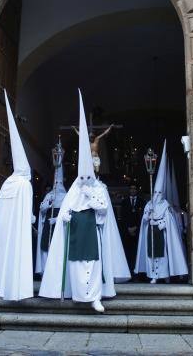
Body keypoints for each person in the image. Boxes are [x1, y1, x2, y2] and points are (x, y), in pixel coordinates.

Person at [39, 90, 129, 312]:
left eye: (89, 176)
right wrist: (66, 217)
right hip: (77, 232)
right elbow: (65, 212)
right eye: (84, 177)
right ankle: (77, 294)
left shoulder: (98, 187)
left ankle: (95, 296)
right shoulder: (73, 190)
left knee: (94, 264)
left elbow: (103, 209)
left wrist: (92, 197)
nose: (87, 179)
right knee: (76, 265)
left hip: (92, 231)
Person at [0, 90, 35, 301]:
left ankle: (3, 287)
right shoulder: (11, 181)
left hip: (15, 228)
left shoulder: (23, 183)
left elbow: (25, 207)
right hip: (2, 227)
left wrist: (27, 218)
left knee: (9, 254)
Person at [135, 140, 188, 284]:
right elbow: (144, 218)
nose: (157, 194)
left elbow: (170, 221)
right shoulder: (148, 204)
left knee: (163, 254)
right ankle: (153, 275)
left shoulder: (166, 205)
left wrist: (162, 224)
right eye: (155, 192)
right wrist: (147, 218)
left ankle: (164, 274)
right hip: (150, 232)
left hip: (160, 232)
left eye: (159, 192)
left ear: (162, 192)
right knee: (151, 255)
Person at [36, 148, 67, 275]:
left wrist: (57, 219)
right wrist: (48, 204)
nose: (57, 185)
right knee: (46, 248)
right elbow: (41, 210)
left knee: (59, 248)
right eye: (56, 182)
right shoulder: (49, 195)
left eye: (59, 182)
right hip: (48, 225)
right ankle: (46, 271)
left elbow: (69, 212)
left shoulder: (67, 196)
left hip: (59, 226)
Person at [119, 183, 144, 274]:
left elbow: (142, 216)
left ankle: (137, 273)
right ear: (129, 190)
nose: (133, 190)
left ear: (137, 190)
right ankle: (128, 271)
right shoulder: (124, 202)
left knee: (137, 251)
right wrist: (128, 228)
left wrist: (136, 227)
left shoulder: (142, 201)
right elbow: (122, 216)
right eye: (131, 188)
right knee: (128, 252)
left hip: (138, 231)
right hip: (127, 231)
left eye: (134, 189)